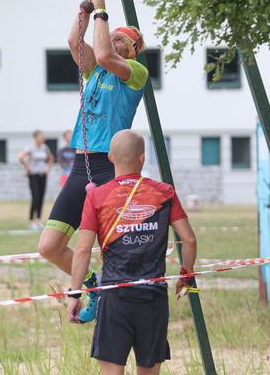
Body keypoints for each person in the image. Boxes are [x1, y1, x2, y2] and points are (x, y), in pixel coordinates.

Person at [38, 0, 149, 323]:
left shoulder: (134, 73)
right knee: (49, 246)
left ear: (133, 51)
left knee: (114, 247)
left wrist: (102, 10)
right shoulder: (96, 70)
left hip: (110, 167)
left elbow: (103, 54)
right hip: (80, 165)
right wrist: (86, 6)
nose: (116, 41)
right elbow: (75, 42)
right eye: (113, 36)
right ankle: (91, 286)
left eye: (124, 41)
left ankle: (128, 306)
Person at [67, 130, 198, 375]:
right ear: (142, 158)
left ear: (110, 157)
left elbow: (83, 249)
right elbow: (189, 239)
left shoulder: (96, 195)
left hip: (115, 297)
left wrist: (74, 294)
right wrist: (186, 274)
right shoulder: (164, 192)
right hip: (153, 296)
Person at [18, 131, 54, 230]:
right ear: (35, 137)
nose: (43, 138)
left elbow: (51, 158)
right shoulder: (30, 148)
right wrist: (27, 167)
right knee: (35, 197)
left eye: (43, 136)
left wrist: (48, 168)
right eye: (40, 136)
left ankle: (38, 220)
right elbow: (20, 157)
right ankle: (32, 221)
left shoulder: (44, 147)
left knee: (41, 197)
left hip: (43, 175)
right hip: (33, 175)